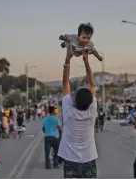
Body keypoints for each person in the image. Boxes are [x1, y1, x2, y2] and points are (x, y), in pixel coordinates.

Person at [58, 48, 98, 178]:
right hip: (89, 162)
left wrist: (67, 59)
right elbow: (92, 85)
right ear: (90, 102)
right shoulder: (92, 112)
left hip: (71, 163)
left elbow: (65, 84)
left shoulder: (69, 112)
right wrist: (86, 62)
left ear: (74, 101)